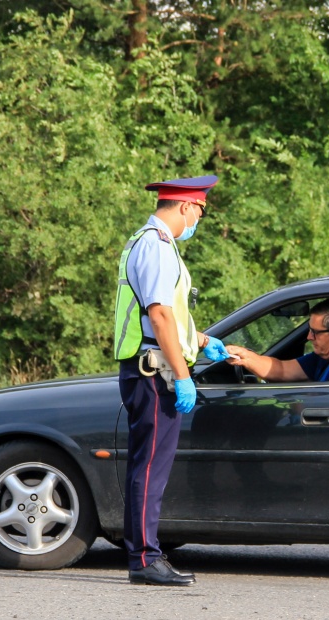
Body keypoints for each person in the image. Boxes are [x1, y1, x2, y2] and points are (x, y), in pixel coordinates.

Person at [113, 174, 230, 587]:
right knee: (150, 467)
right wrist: (183, 376)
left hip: (153, 363)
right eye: (200, 211)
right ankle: (145, 558)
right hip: (155, 370)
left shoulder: (148, 242)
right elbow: (159, 316)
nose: (199, 219)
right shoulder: (158, 246)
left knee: (147, 465)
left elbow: (164, 318)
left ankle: (141, 554)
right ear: (185, 206)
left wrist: (201, 340)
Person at [225, 298, 329, 382]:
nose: (309, 337)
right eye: (309, 330)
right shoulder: (323, 357)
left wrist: (294, 405)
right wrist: (244, 357)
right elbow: (281, 369)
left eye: (315, 332)